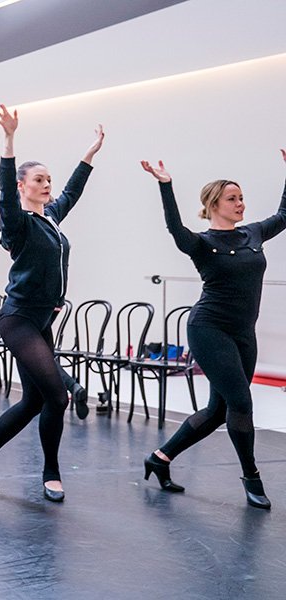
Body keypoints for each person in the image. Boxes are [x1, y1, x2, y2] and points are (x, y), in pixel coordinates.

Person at [0, 105, 103, 503]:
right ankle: (51, 473)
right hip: (18, 319)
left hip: (41, 319)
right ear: (23, 185)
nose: (47, 185)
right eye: (39, 180)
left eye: (48, 180)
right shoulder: (18, 222)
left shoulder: (52, 218)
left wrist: (88, 155)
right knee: (57, 396)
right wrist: (8, 142)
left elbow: (72, 191)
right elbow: (5, 192)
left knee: (32, 401)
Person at [139, 151, 286, 510]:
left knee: (217, 410)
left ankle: (160, 458)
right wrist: (165, 186)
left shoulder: (253, 233)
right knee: (240, 402)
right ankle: (251, 478)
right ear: (213, 204)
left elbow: (284, 215)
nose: (240, 204)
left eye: (241, 198)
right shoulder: (202, 244)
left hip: (243, 333)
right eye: (232, 199)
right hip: (209, 328)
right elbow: (175, 229)